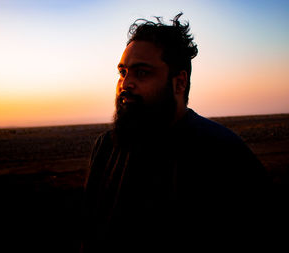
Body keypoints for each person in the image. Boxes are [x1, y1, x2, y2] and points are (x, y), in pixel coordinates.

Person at [81, 13, 270, 252]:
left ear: (179, 83)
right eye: (123, 72)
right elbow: (89, 234)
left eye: (141, 72)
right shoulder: (107, 147)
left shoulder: (222, 152)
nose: (125, 84)